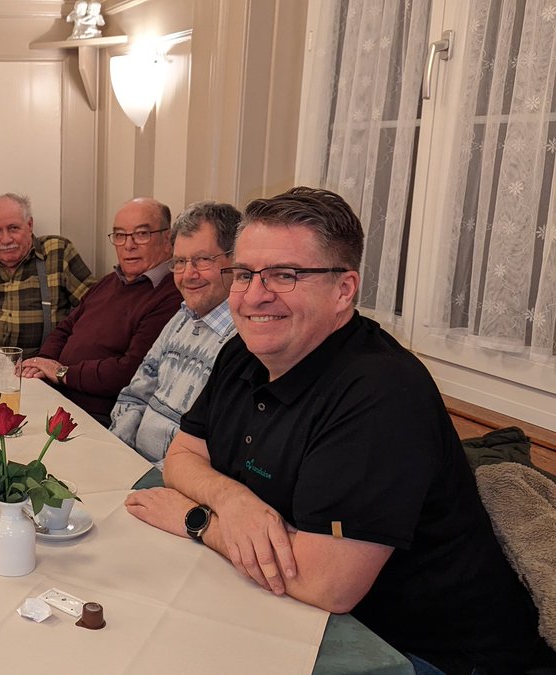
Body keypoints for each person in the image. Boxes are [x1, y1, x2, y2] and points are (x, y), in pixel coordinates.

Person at [124, 187, 553, 673]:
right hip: (293, 607)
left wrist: (197, 522)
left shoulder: (381, 392)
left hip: (419, 654)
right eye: (244, 273)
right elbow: (181, 457)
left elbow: (327, 583)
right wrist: (233, 501)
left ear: (344, 290)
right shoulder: (243, 352)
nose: (254, 295)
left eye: (285, 275)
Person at [17, 198, 181, 424]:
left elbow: (130, 371)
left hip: (97, 416)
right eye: (120, 235)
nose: (128, 245)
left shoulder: (170, 294)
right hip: (57, 396)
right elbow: (66, 328)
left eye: (141, 234)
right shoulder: (110, 281)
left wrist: (63, 373)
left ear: (167, 239)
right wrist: (41, 363)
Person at [110, 201, 240, 465]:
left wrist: (144, 481)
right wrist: (116, 458)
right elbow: (135, 395)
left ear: (236, 260)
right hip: (131, 465)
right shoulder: (182, 317)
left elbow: (214, 452)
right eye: (180, 262)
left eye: (203, 259)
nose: (188, 274)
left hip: (171, 485)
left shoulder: (244, 340)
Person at [0, 193, 95, 357]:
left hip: (40, 370)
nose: (6, 239)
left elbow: (96, 307)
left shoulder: (58, 252)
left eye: (13, 228)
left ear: (29, 225)